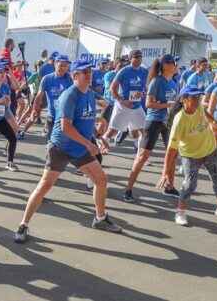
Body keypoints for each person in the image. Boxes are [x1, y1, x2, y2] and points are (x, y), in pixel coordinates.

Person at [15, 59, 122, 244]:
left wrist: (100, 136)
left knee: (101, 179)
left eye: (90, 72)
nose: (89, 75)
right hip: (61, 148)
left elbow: (89, 119)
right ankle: (23, 225)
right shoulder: (69, 95)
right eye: (84, 73)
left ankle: (100, 218)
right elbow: (66, 127)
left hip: (79, 148)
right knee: (44, 186)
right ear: (75, 76)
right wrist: (89, 145)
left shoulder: (89, 93)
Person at [158, 85, 217, 226]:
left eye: (198, 97)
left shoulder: (198, 107)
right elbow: (171, 150)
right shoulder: (179, 120)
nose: (197, 100)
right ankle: (180, 212)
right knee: (189, 185)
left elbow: (206, 114)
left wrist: (216, 125)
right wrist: (165, 173)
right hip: (190, 155)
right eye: (194, 97)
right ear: (184, 100)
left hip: (210, 150)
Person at [124, 54, 180, 202]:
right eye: (173, 63)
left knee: (173, 155)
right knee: (143, 156)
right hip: (154, 121)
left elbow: (174, 103)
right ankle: (128, 189)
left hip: (168, 122)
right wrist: (167, 105)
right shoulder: (157, 81)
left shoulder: (174, 83)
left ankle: (169, 186)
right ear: (165, 66)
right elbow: (149, 104)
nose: (176, 65)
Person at [104, 50, 148, 152]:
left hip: (137, 106)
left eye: (140, 57)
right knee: (112, 131)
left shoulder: (144, 71)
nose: (139, 59)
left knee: (143, 132)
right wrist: (122, 101)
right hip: (123, 106)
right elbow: (112, 88)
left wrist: (143, 93)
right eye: (136, 57)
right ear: (130, 58)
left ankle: (140, 154)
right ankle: (101, 148)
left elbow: (145, 88)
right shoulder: (124, 71)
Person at [26, 54, 72, 139]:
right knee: (51, 142)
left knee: (64, 143)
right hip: (52, 116)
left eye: (66, 66)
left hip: (66, 117)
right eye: (61, 65)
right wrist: (34, 110)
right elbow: (39, 96)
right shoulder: (47, 79)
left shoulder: (70, 79)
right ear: (55, 64)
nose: (63, 68)